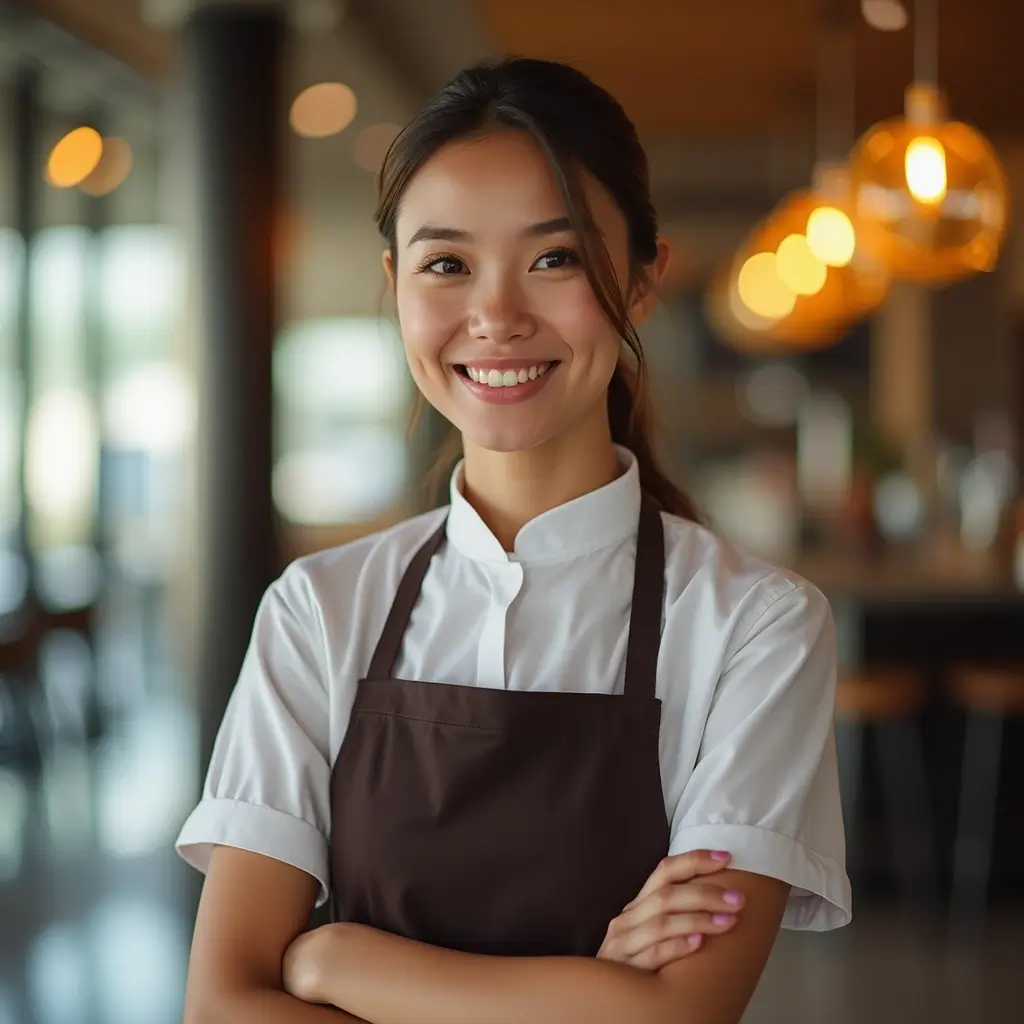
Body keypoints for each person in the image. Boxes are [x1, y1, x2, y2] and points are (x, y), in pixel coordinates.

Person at [176, 56, 851, 1024]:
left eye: (555, 258)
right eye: (446, 263)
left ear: (645, 276)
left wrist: (333, 962)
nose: (495, 317)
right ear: (395, 283)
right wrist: (593, 994)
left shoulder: (755, 625)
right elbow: (222, 1005)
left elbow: (678, 1015)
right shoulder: (319, 608)